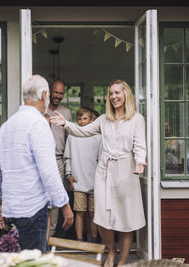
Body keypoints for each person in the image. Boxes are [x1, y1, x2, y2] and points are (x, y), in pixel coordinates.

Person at [50, 80, 146, 267]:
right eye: (111, 93)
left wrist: (140, 161)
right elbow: (82, 131)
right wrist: (66, 124)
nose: (114, 97)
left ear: (126, 94)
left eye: (117, 93)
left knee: (126, 218)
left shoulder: (137, 119)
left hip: (127, 170)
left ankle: (123, 261)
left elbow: (140, 145)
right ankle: (111, 251)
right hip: (104, 171)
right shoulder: (104, 119)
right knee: (101, 217)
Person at [0, 75, 74, 252]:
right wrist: (65, 205)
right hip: (33, 209)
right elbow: (48, 171)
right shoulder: (38, 124)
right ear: (44, 94)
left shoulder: (8, 125)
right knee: (34, 261)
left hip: (12, 208)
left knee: (20, 258)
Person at [64, 107, 101, 243]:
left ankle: (94, 239)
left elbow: (101, 159)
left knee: (93, 213)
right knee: (79, 212)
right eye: (79, 119)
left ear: (91, 120)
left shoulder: (98, 137)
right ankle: (80, 240)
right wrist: (68, 174)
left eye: (85, 119)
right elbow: (67, 157)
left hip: (95, 182)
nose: (81, 122)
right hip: (78, 181)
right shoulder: (72, 136)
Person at [45, 80, 72, 238]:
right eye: (56, 92)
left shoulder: (66, 113)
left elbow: (70, 138)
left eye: (61, 93)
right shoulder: (42, 109)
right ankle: (44, 237)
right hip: (42, 159)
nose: (58, 96)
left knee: (56, 198)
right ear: (49, 91)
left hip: (59, 160)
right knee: (43, 197)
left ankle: (52, 237)